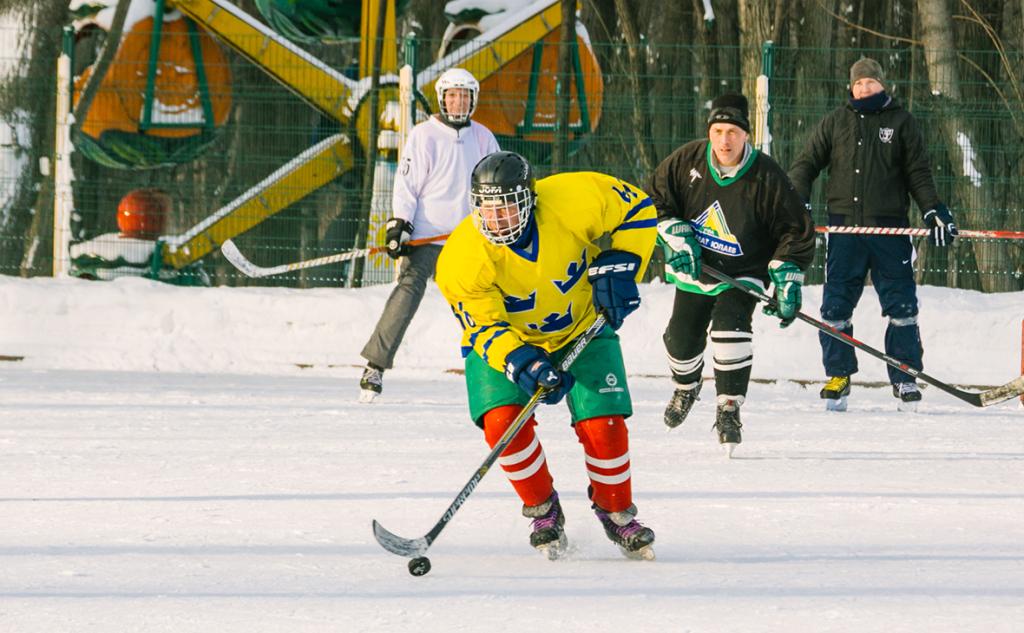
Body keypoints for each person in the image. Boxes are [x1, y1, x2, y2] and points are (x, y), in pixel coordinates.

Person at [435, 151, 658, 560]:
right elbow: (483, 326)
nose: (496, 219)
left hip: (583, 326)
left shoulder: (572, 198)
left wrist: (625, 263)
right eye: (486, 208)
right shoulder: (462, 257)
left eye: (507, 206)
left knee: (605, 426)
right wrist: (522, 361)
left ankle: (615, 511)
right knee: (502, 424)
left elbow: (638, 209)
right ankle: (542, 510)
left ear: (530, 199)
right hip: (512, 341)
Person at [648, 93, 815, 455]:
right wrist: (676, 237)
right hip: (697, 270)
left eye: (733, 132)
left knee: (730, 329)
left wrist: (787, 275)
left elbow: (795, 228)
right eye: (718, 131)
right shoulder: (686, 160)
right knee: (680, 341)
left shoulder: (766, 175)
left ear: (746, 135)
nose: (725, 140)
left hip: (743, 273)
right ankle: (687, 387)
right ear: (709, 132)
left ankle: (728, 407)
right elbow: (654, 200)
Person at [788, 58, 956, 412]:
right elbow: (805, 163)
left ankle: (905, 376)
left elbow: (918, 172)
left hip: (889, 230)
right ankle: (838, 376)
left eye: (870, 82)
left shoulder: (901, 121)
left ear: (882, 84)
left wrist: (932, 209)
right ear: (851, 88)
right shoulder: (836, 121)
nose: (864, 88)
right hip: (845, 229)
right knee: (835, 306)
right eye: (858, 83)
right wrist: (798, 198)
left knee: (901, 304)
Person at [358, 68, 500, 402]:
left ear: (473, 100)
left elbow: (493, 182)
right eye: (453, 96)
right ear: (442, 99)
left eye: (464, 96)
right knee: (407, 292)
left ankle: (498, 367)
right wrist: (401, 224)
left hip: (466, 239)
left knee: (482, 300)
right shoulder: (424, 135)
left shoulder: (483, 137)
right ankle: (375, 366)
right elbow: (407, 185)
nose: (458, 102)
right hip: (426, 236)